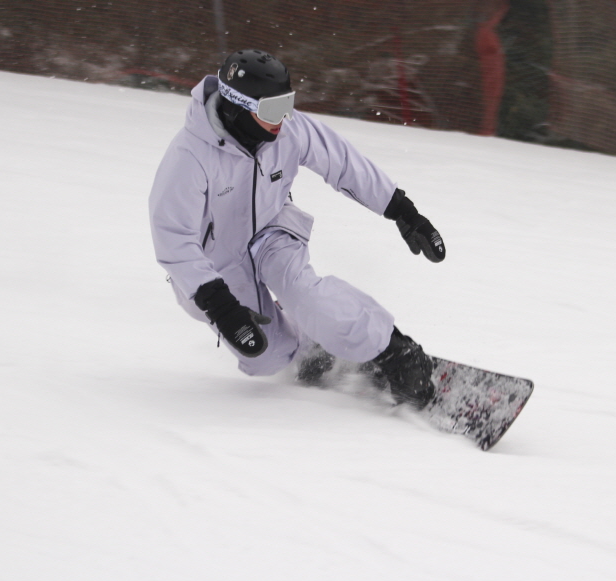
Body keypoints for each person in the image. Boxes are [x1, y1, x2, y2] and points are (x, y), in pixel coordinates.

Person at [148, 49, 446, 408]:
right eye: (273, 109)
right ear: (239, 106)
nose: (283, 118)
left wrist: (402, 211)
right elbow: (173, 239)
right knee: (268, 358)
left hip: (273, 232)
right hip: (215, 264)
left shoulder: (287, 131)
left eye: (287, 104)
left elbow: (343, 162)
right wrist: (221, 306)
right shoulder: (190, 156)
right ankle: (309, 347)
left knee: (307, 296)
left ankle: (395, 352)